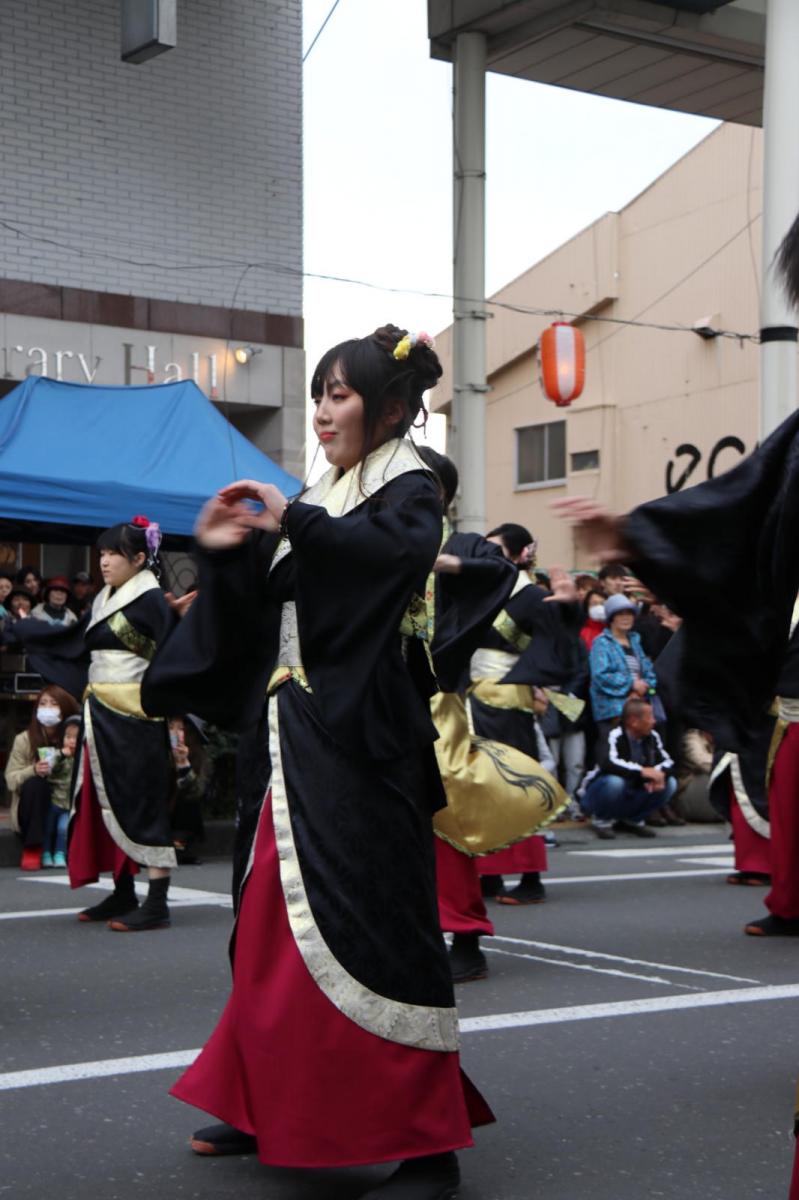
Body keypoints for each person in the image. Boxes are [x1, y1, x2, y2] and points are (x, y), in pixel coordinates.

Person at [141, 324, 493, 1197]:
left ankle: (425, 1143)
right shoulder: (325, 490)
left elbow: (386, 561)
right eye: (319, 397)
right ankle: (262, 1097)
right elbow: (273, 603)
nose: (323, 412)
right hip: (290, 730)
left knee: (369, 922)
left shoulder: (409, 486)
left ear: (392, 409)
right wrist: (226, 550)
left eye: (339, 395)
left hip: (362, 738)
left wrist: (290, 517)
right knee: (269, 916)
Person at [6, 516, 179, 930]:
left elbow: (176, 657)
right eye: (102, 553)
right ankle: (122, 891)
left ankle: (157, 901)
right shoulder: (104, 598)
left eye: (114, 554)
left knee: (140, 801)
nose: (104, 561)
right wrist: (19, 628)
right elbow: (71, 641)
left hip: (137, 719)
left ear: (139, 559)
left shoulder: (151, 600)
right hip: (99, 713)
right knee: (104, 801)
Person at [469, 522, 579, 904]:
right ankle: (489, 873)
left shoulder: (532, 596)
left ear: (520, 555)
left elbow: (561, 641)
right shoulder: (479, 592)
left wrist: (569, 608)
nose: (487, 558)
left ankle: (531, 877)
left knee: (516, 783)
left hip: (508, 698)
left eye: (496, 551)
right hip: (471, 696)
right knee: (481, 787)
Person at [579, 697, 676, 839]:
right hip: (598, 791)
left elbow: (668, 762)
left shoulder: (652, 736)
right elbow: (608, 763)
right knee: (614, 782)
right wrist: (642, 772)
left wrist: (659, 774)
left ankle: (633, 820)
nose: (654, 721)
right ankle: (602, 820)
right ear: (634, 721)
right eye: (650, 717)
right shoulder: (612, 734)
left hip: (633, 788)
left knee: (670, 783)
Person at [4, 686, 79, 869]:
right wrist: (33, 770)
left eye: (54, 704)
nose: (47, 708)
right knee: (36, 784)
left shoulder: (75, 739)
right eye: (43, 704)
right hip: (35, 809)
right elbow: (11, 779)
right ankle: (33, 847)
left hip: (66, 804)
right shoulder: (24, 740)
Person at [589, 593, 658, 737]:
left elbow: (649, 671)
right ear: (611, 618)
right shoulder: (601, 642)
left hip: (638, 708)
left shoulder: (635, 641)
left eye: (629, 613)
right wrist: (631, 685)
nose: (626, 617)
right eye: (620, 614)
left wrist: (643, 688)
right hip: (612, 712)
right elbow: (600, 675)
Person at [42, 714, 81, 867]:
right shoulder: (57, 754)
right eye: (68, 737)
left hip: (67, 804)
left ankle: (60, 854)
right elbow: (48, 766)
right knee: (48, 829)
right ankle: (46, 853)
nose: (71, 741)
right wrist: (61, 754)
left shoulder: (80, 759)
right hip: (52, 801)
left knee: (63, 829)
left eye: (76, 737)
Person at [580, 586, 607, 650]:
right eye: (594, 604)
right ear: (587, 607)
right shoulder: (582, 633)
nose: (599, 607)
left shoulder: (615, 630)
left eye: (602, 604)